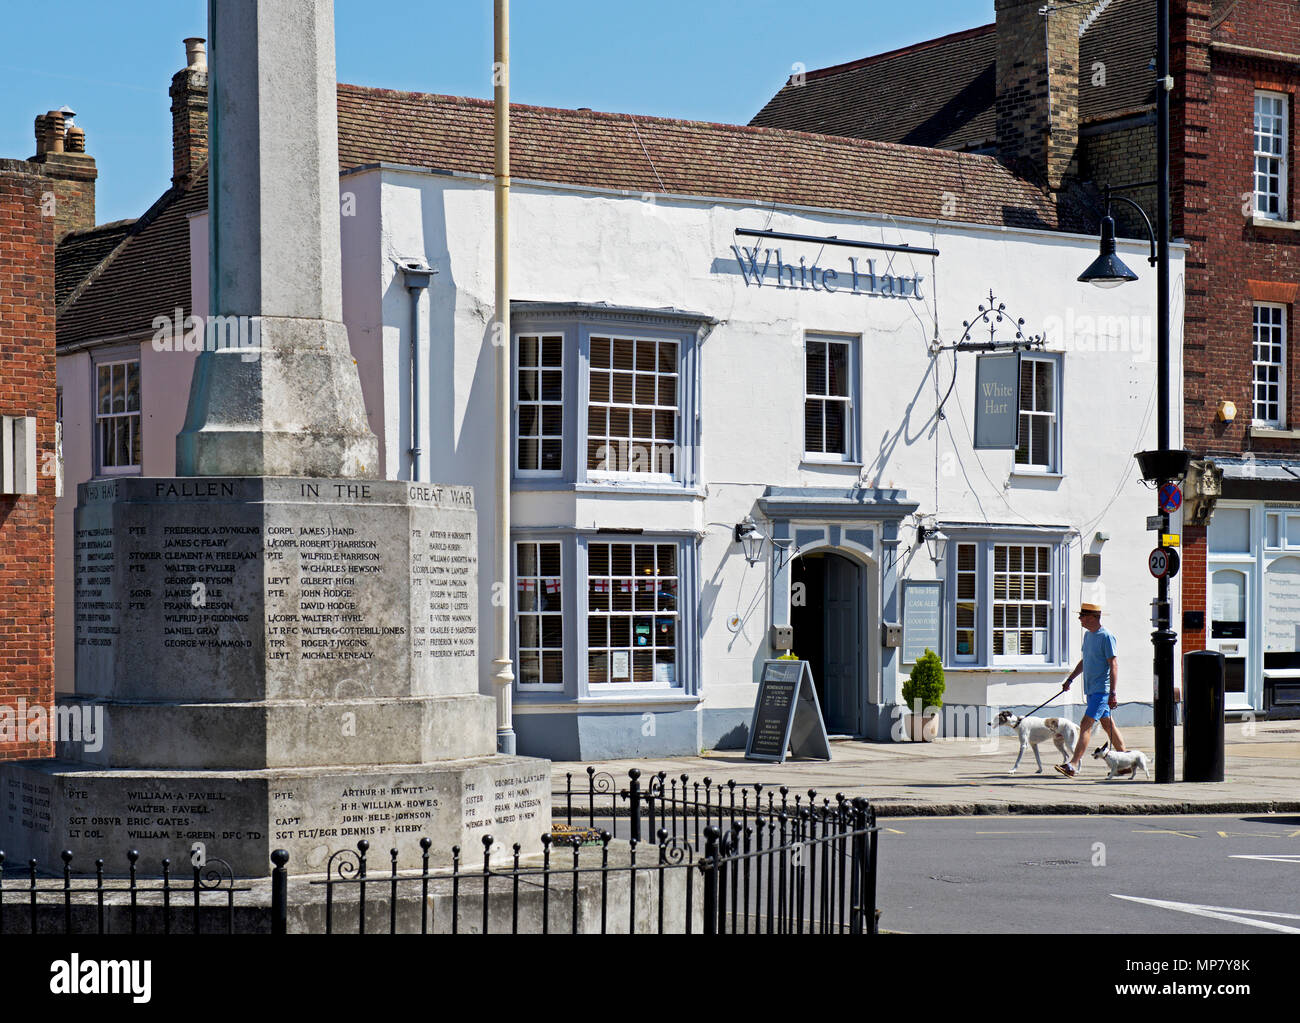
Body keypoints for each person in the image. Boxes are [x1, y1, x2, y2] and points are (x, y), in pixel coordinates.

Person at [1054, 602, 1125, 778]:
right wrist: (1070, 679)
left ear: (1093, 617)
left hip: (1102, 690)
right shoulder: (1088, 636)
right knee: (1108, 724)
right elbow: (1085, 660)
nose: (1079, 619)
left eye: (1082, 616)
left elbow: (1113, 664)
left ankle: (1073, 764)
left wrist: (1113, 692)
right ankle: (1125, 763)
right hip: (1091, 689)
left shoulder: (1106, 636)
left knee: (1086, 724)